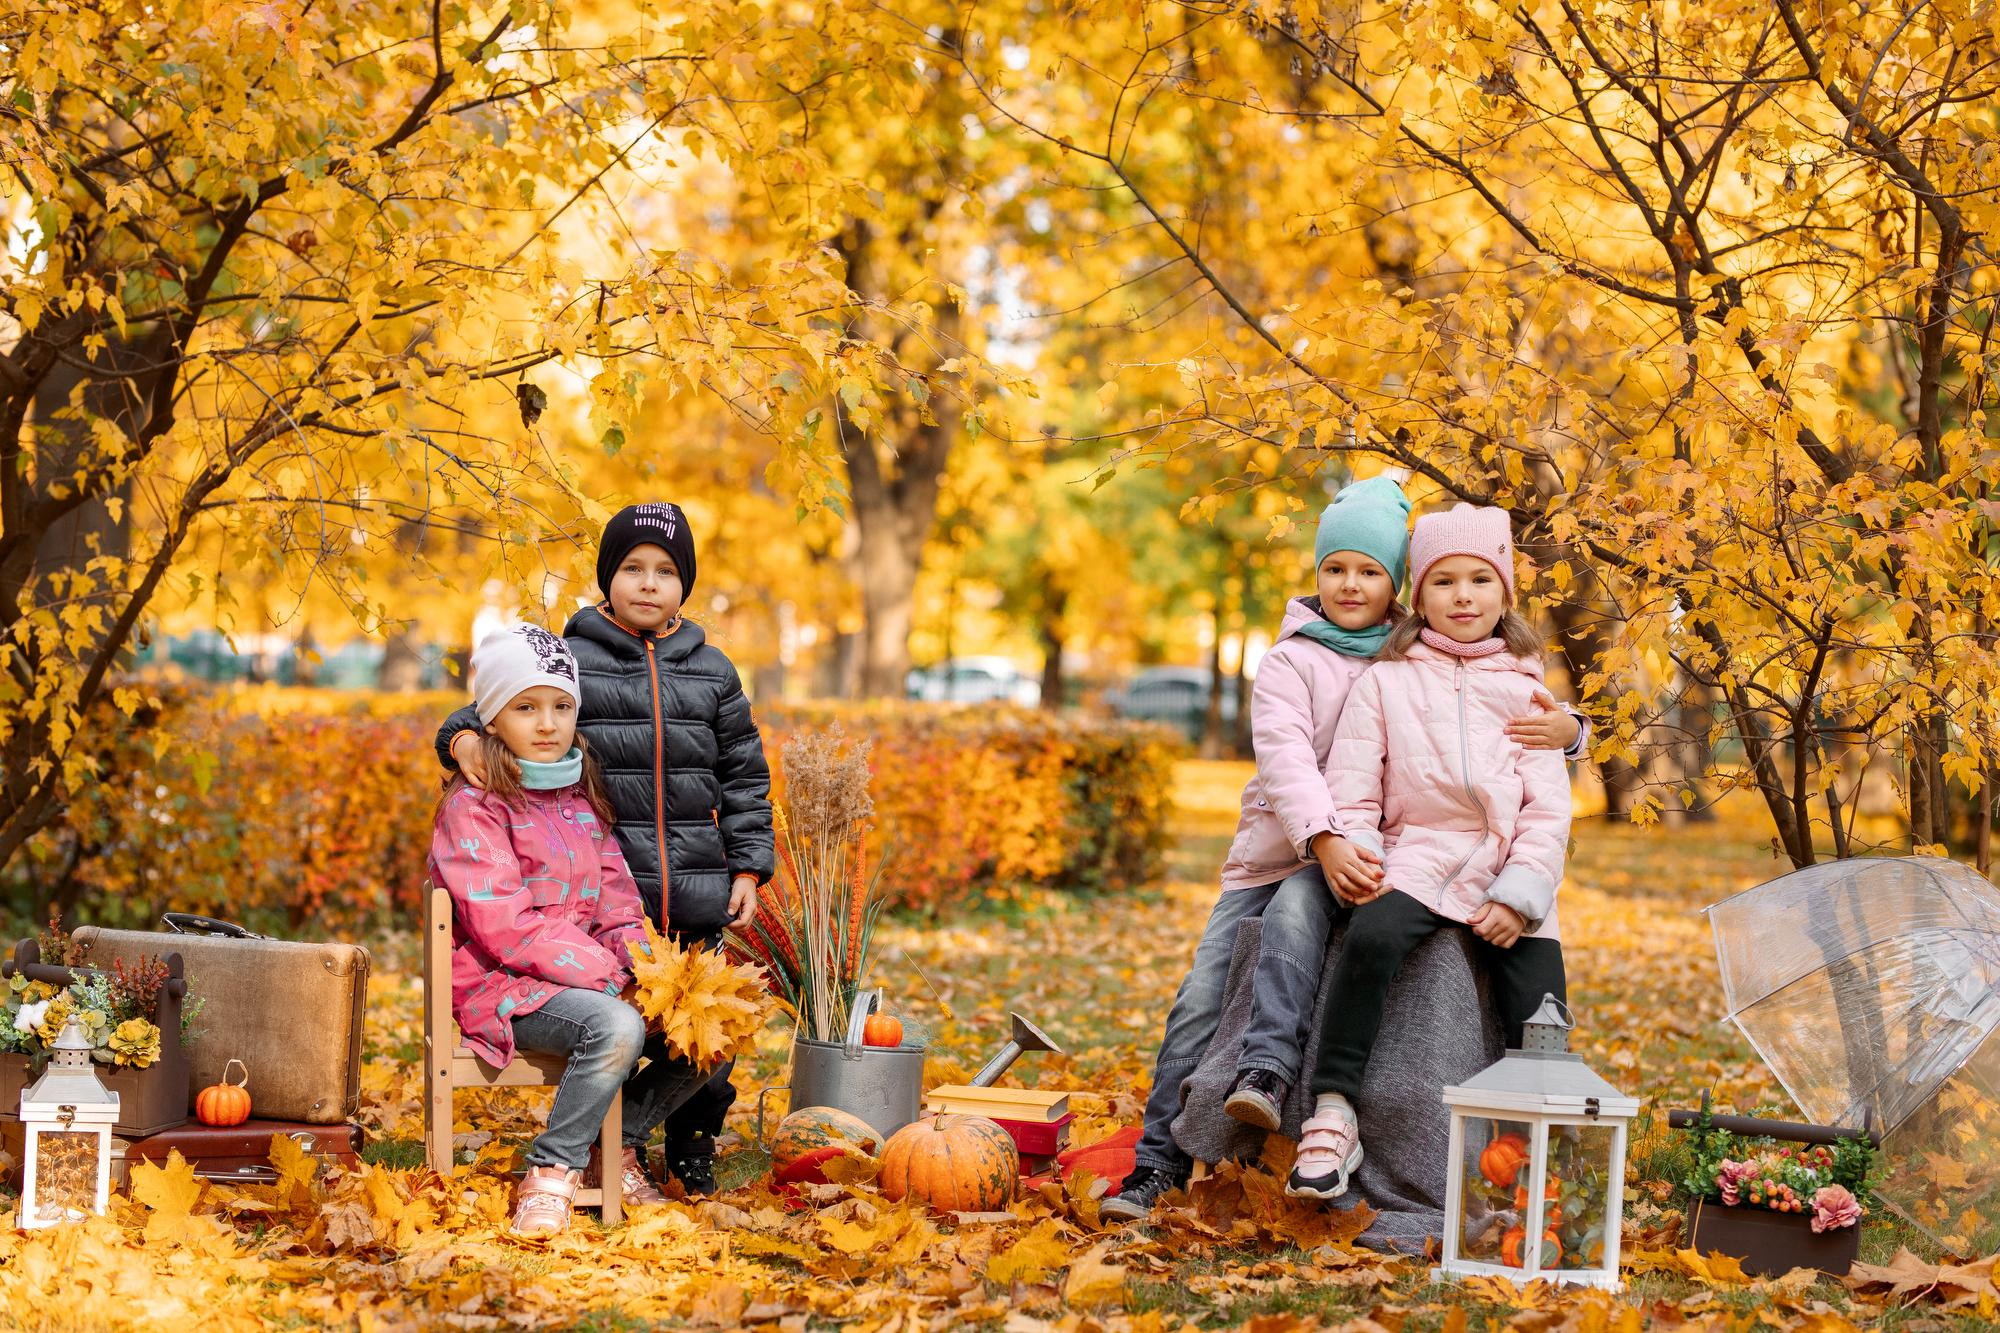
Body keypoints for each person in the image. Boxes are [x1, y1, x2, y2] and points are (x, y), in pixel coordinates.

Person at [1103, 481, 1585, 1222]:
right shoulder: (1302, 661)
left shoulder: (1444, 659)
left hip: (1407, 855)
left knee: (1534, 1004)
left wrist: (1572, 731)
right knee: (1209, 993)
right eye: (1336, 568)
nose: (1351, 584)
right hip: (1287, 856)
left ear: (1396, 585)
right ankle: (1176, 1147)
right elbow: (1291, 762)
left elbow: (1533, 766)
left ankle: (1548, 1172)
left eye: (1369, 570)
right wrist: (1329, 839)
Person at [438, 503, 775, 1195]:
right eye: (631, 569)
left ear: (684, 584)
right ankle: (596, 1151)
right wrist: (459, 739)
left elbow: (744, 771)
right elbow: (501, 705)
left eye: (665, 572)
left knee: (704, 1033)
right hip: (599, 890)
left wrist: (746, 862)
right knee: (626, 1025)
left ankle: (686, 1147)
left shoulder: (713, 670)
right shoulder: (574, 659)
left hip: (692, 889)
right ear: (606, 577)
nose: (648, 584)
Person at [1287, 503, 1572, 1201]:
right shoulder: (1386, 680)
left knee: (1539, 1000)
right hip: (1416, 854)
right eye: (1444, 582)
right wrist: (1355, 849)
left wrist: (1520, 893)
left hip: (1506, 862)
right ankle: (1333, 1110)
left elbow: (1548, 809)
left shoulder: (1529, 692)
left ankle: (1533, 1150)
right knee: (1372, 937)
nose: (1464, 596)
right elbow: (1353, 788)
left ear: (1505, 592)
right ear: (1420, 597)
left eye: (1481, 579)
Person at [430, 624, 706, 1237]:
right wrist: (612, 980)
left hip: (582, 982)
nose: (548, 724)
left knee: (705, 1031)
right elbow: (507, 928)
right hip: (501, 988)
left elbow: (618, 907)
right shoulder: (474, 807)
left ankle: (617, 1145)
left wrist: (649, 972)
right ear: (491, 720)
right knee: (616, 1024)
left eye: (561, 707)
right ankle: (552, 1170)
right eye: (525, 708)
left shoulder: (579, 799)